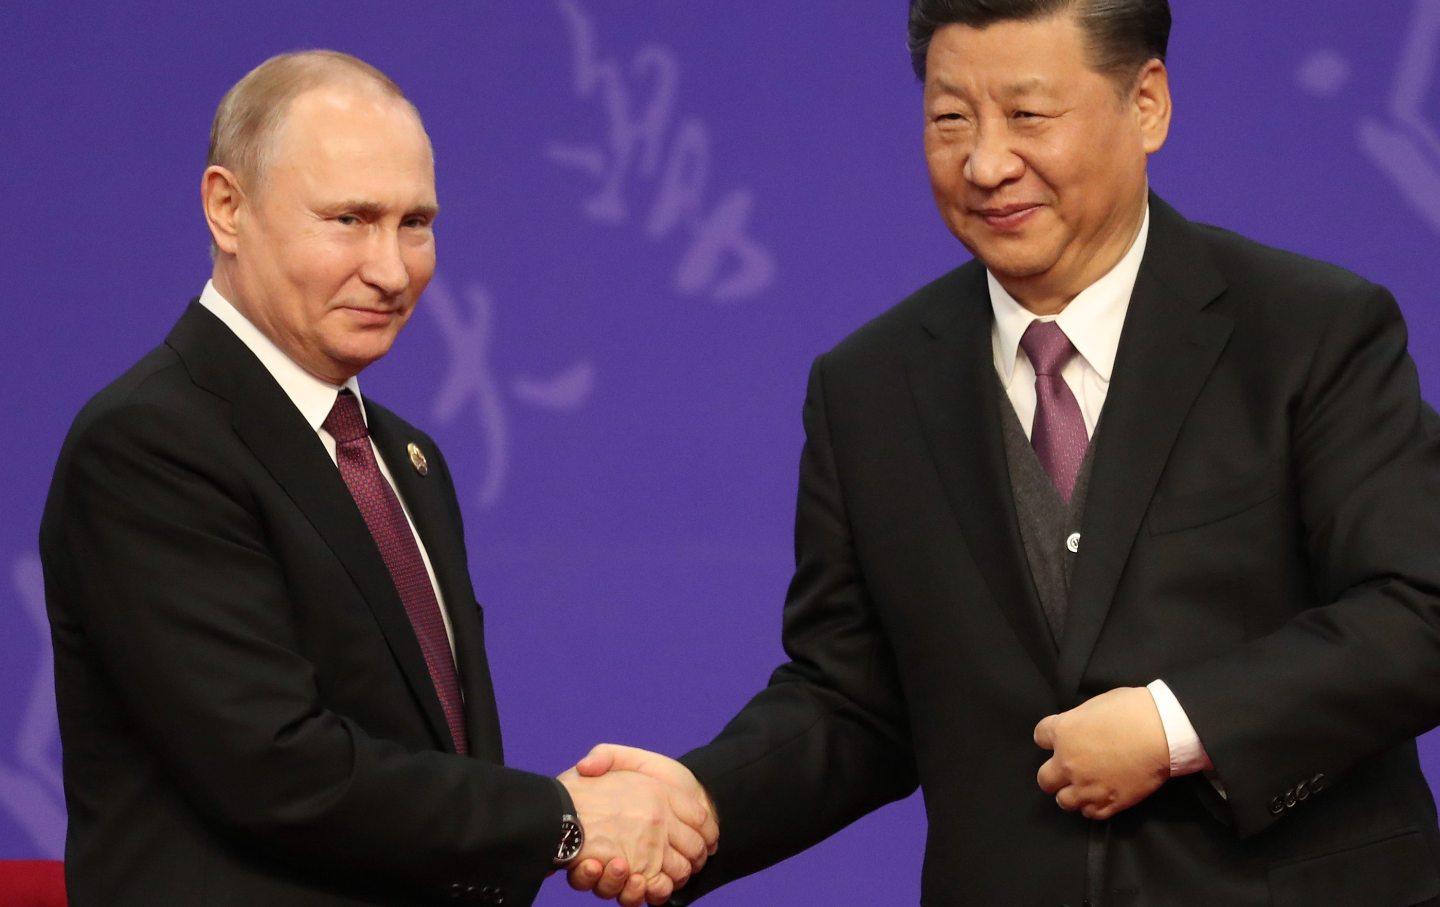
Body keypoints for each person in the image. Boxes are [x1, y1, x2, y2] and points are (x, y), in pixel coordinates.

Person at [570, 1, 1440, 904]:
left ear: (1147, 103)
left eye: (1029, 115)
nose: (985, 163)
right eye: (951, 120)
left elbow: (1421, 607)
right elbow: (852, 699)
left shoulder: (1308, 331)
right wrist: (706, 797)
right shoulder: (870, 386)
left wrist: (1177, 723)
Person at [39, 50, 713, 907]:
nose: (393, 270)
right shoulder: (148, 443)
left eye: (415, 223)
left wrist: (565, 818)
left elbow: (441, 758)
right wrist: (565, 817)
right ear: (226, 207)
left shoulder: (404, 457)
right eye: (350, 219)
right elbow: (277, 769)